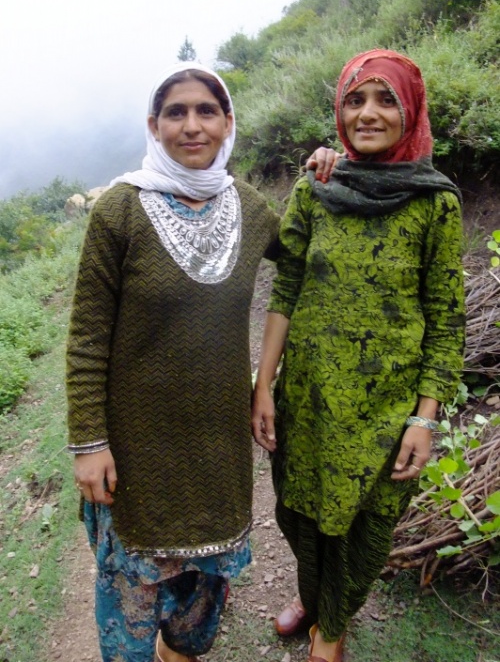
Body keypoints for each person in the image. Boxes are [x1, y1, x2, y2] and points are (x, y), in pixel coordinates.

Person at [66, 61, 335, 662]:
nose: (192, 126)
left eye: (206, 111)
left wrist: (322, 174)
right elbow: (86, 339)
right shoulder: (120, 212)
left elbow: (301, 250)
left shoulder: (248, 207)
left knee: (199, 603)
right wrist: (89, 444)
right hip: (137, 447)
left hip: (217, 444)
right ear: (153, 125)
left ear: (228, 123)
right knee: (130, 600)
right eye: (176, 113)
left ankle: (180, 653)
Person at [252, 49, 465, 662]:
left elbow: (446, 318)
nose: (367, 114)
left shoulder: (435, 203)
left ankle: (333, 627)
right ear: (339, 112)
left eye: (385, 100)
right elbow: (286, 287)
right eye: (354, 100)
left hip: (385, 407)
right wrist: (264, 384)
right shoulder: (317, 187)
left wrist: (424, 418)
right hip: (309, 395)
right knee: (300, 512)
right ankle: (314, 599)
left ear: (410, 111)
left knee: (362, 526)